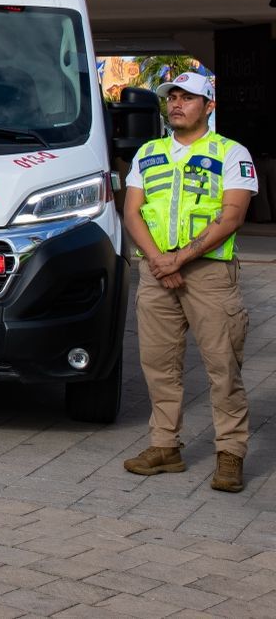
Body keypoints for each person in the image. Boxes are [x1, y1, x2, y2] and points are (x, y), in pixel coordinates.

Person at [121, 71, 256, 493]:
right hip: (156, 273)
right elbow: (132, 213)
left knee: (223, 367)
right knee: (159, 365)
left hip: (209, 274)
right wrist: (159, 261)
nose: (177, 104)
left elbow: (232, 216)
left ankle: (230, 453)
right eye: (172, 97)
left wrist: (178, 259)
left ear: (208, 106)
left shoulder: (231, 153)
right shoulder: (148, 152)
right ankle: (165, 447)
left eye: (188, 97)